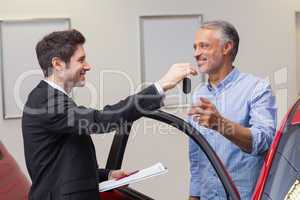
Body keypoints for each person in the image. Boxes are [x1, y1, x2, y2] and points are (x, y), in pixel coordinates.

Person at [22, 29, 197, 200]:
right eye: (81, 60)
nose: (88, 66)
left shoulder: (51, 98)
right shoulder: (46, 101)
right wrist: (162, 85)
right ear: (58, 64)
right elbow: (100, 120)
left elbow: (60, 165)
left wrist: (107, 175)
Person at [188, 21, 277, 199]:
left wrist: (220, 124)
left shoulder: (257, 88)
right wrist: (194, 195)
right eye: (195, 47)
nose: (196, 53)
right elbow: (196, 156)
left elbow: (264, 141)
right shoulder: (199, 94)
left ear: (227, 47)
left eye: (204, 46)